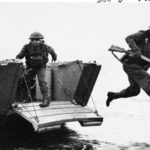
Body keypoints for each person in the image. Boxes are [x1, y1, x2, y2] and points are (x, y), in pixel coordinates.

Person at [106, 28, 150, 107]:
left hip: (139, 67)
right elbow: (129, 38)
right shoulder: (144, 34)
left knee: (134, 91)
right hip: (131, 65)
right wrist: (136, 50)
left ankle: (113, 95)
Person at [16, 32, 57, 107]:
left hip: (41, 67)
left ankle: (45, 100)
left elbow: (52, 52)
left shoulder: (45, 46)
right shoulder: (26, 47)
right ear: (31, 40)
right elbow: (19, 56)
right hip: (31, 67)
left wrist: (54, 57)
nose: (37, 41)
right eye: (35, 40)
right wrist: (17, 61)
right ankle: (26, 98)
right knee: (24, 80)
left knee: (42, 82)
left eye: (39, 40)